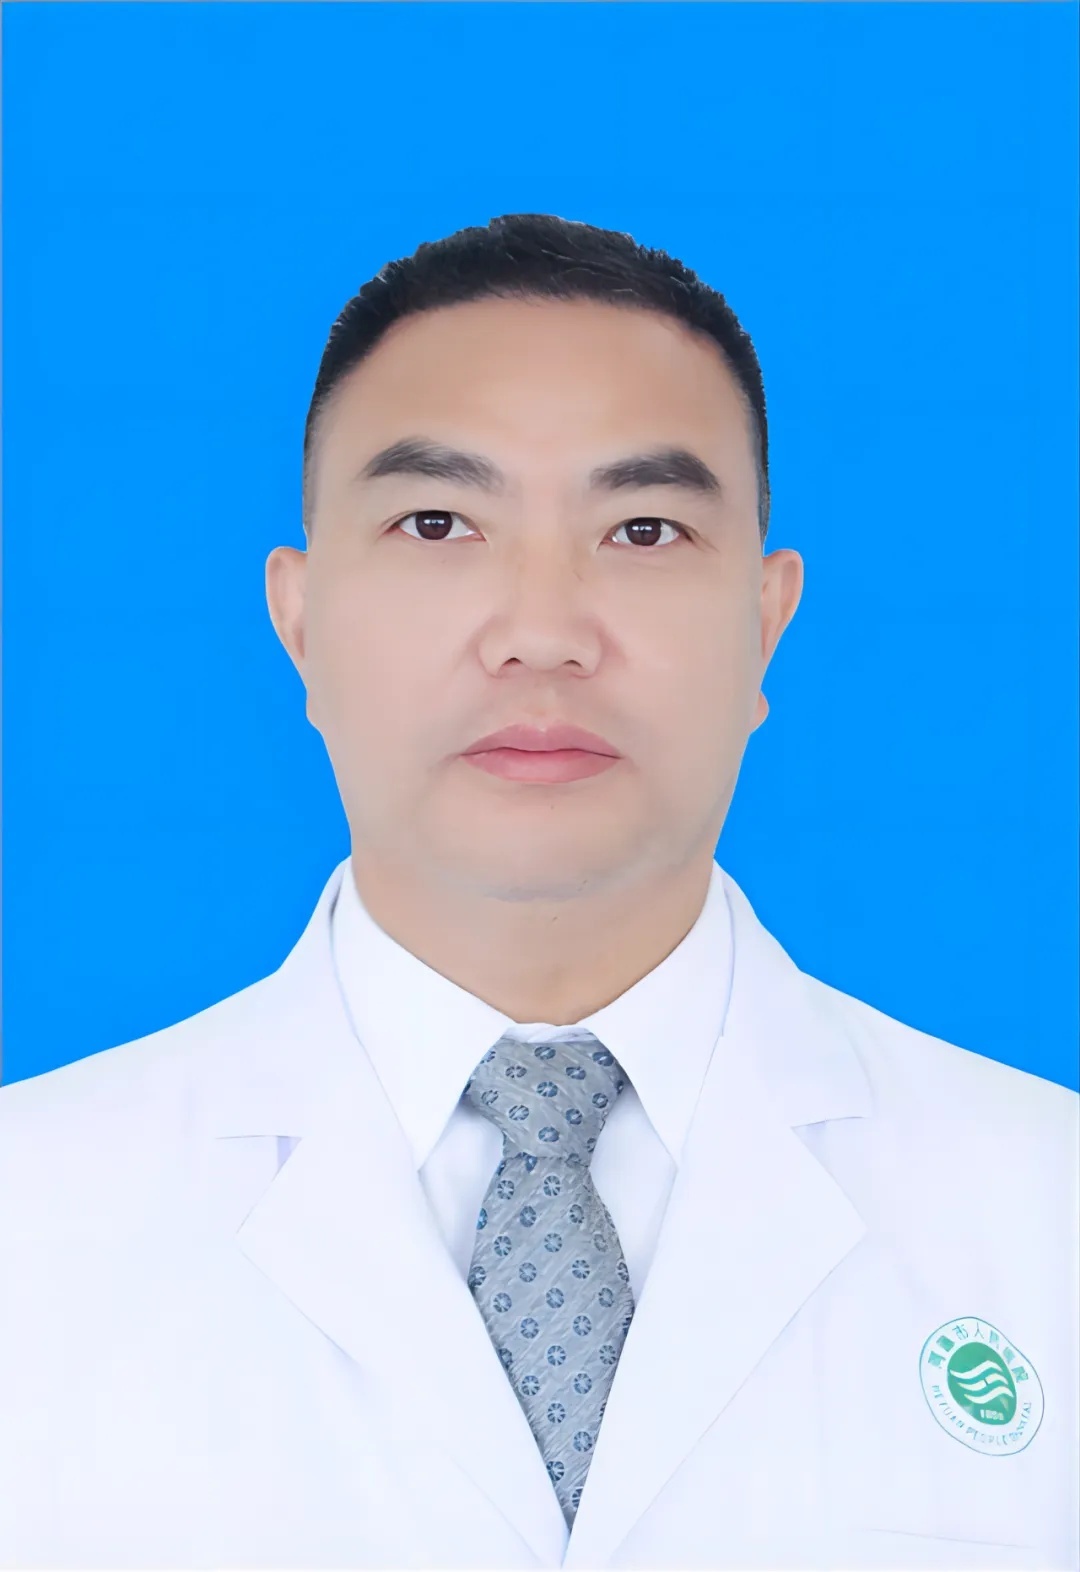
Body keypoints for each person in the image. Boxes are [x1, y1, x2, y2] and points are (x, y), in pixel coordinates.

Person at [0, 212, 1075, 1572]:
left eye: (644, 528)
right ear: (301, 620)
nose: (544, 633)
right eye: (437, 522)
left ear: (765, 622)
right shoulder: (27, 1224)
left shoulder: (1048, 1214)